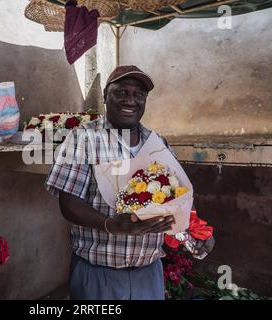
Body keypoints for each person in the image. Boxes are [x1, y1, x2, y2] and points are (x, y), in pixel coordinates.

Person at [45, 65, 214, 300]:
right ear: (106, 96)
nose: (130, 100)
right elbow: (69, 202)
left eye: (138, 95)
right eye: (121, 92)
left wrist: (196, 232)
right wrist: (111, 224)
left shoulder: (157, 142)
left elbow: (177, 201)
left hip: (149, 273)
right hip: (99, 274)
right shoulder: (83, 138)